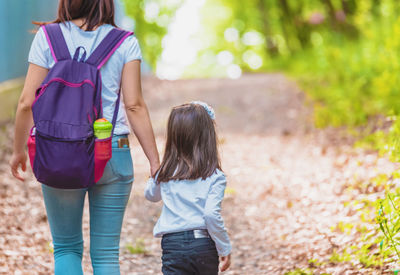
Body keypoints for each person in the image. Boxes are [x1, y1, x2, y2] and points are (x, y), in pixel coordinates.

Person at [9, 0, 160, 274]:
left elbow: (25, 102)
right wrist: (154, 159)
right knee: (106, 255)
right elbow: (134, 105)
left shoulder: (48, 36)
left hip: (60, 151)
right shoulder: (125, 42)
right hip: (113, 150)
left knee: (66, 247)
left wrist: (18, 150)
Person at [145, 101, 232, 274]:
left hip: (173, 244)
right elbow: (210, 214)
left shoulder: (166, 171)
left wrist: (155, 174)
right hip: (203, 244)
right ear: (208, 136)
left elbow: (151, 195)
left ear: (173, 136)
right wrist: (224, 247)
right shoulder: (215, 176)